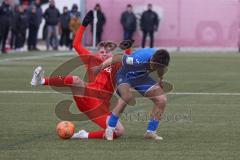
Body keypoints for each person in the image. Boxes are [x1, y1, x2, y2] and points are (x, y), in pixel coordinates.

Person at [30, 11, 133, 139]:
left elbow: (128, 60)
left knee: (119, 131)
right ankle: (41, 81)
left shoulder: (115, 64)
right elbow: (76, 45)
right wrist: (84, 25)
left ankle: (84, 135)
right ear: (97, 53)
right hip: (87, 97)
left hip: (102, 106)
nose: (105, 54)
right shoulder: (91, 60)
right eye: (102, 52)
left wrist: (128, 47)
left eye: (107, 52)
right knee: (76, 80)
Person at [94, 45, 170, 141]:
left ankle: (150, 132)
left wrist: (160, 80)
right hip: (125, 74)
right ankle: (110, 129)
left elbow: (160, 69)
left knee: (162, 100)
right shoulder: (139, 59)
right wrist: (99, 68)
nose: (153, 67)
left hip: (141, 77)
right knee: (127, 96)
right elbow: (117, 58)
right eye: (153, 65)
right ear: (152, 58)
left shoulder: (161, 61)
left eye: (156, 66)